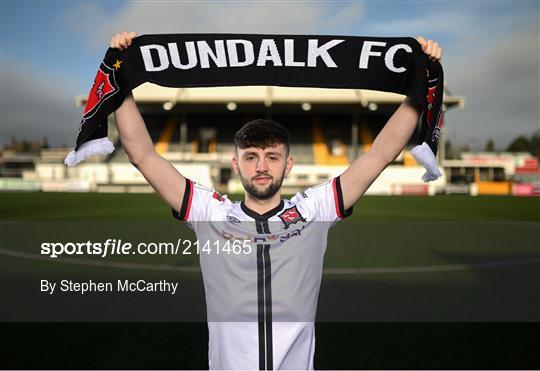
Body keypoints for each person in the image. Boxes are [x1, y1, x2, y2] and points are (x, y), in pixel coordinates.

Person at [110, 31, 442, 370]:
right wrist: (122, 78)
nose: (262, 166)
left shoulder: (315, 210)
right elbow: (142, 155)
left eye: (272, 156)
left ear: (288, 163)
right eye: (251, 157)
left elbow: (380, 154)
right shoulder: (208, 211)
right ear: (236, 164)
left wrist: (420, 80)